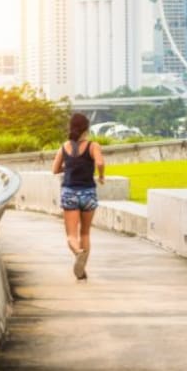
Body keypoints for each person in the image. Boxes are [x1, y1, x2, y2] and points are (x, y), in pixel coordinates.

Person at [52, 112, 105, 280]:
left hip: (69, 192)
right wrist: (101, 176)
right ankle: (81, 270)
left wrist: (69, 167)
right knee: (85, 233)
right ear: (86, 128)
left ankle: (78, 253)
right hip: (88, 192)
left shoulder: (64, 147)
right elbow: (100, 162)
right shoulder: (93, 146)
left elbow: (55, 169)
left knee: (71, 235)